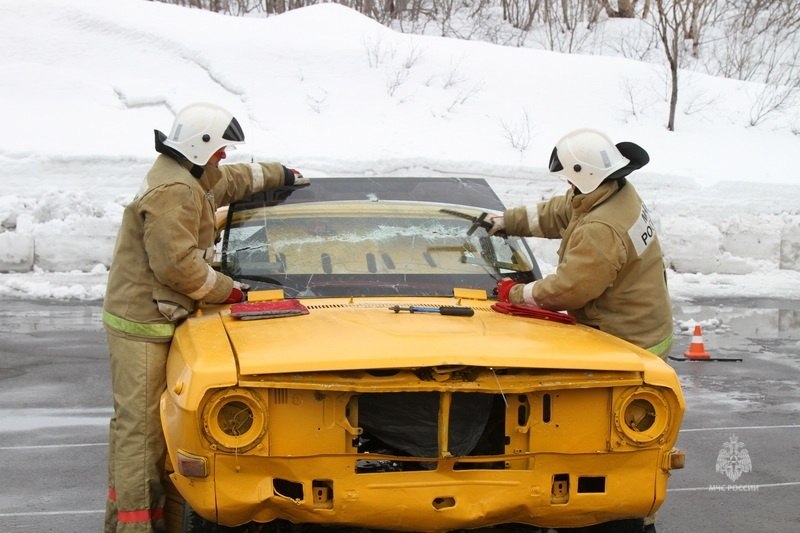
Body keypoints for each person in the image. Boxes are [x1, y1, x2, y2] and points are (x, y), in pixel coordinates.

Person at [102, 102, 308, 533]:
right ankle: (135, 526)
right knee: (142, 433)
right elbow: (176, 266)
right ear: (202, 146)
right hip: (141, 323)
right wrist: (227, 290)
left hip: (161, 316)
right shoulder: (172, 194)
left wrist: (279, 174)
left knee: (163, 428)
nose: (224, 157)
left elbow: (230, 180)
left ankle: (160, 521)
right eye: (220, 149)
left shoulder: (189, 173)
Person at [493, 128, 673, 359]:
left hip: (629, 346)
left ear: (584, 174)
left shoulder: (600, 228)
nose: (568, 182)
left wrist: (515, 294)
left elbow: (569, 289)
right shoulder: (614, 191)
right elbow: (563, 210)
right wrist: (509, 221)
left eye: (569, 177)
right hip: (646, 328)